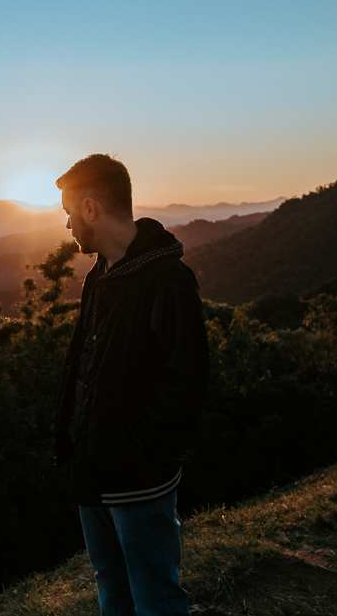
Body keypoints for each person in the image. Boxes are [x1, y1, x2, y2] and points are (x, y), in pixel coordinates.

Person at [51, 154, 209, 616]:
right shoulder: (100, 276)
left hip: (138, 483)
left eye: (67, 212)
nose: (67, 225)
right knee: (112, 590)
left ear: (91, 207)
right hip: (94, 475)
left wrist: (138, 455)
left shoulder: (168, 279)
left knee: (156, 597)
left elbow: (185, 385)